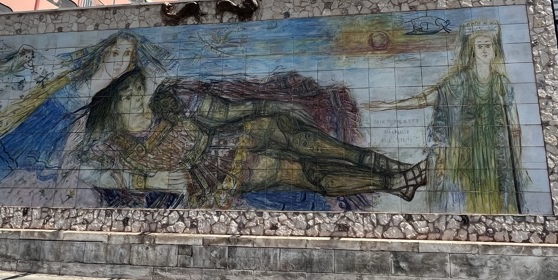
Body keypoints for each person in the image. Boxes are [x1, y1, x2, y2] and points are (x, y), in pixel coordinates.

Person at [77, 67, 427, 208]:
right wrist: (147, 179)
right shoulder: (118, 146)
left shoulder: (169, 100)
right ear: (113, 110)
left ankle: (391, 167)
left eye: (137, 90)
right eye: (127, 97)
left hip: (228, 138)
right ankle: (392, 182)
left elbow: (225, 112)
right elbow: (88, 172)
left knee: (288, 129)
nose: (137, 99)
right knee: (304, 173)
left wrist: (270, 104)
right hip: (215, 174)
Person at [0, 31, 169, 203]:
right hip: (38, 130)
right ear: (104, 53)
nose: (119, 61)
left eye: (126, 56)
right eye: (115, 53)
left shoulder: (112, 92)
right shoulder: (79, 81)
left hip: (57, 142)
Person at [367, 20, 527, 214]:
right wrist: (390, 105)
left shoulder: (502, 83)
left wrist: (515, 160)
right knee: (468, 198)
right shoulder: (459, 81)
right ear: (472, 51)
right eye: (480, 46)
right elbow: (427, 98)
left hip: (495, 155)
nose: (485, 50)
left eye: (488, 45)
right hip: (465, 155)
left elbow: (514, 126)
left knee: (495, 200)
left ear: (495, 50)